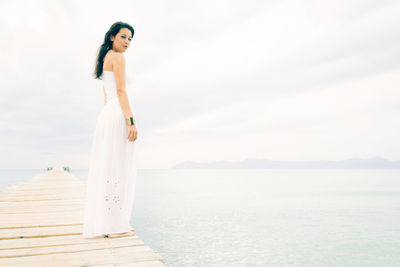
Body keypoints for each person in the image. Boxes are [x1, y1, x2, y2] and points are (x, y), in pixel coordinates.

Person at [82, 21, 138, 239]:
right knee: (119, 169)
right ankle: (114, 227)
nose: (127, 42)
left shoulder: (105, 58)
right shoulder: (118, 58)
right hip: (117, 115)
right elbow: (122, 91)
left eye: (130, 39)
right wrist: (130, 121)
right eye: (124, 36)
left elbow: (107, 94)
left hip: (107, 114)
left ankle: (110, 223)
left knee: (110, 168)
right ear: (112, 37)